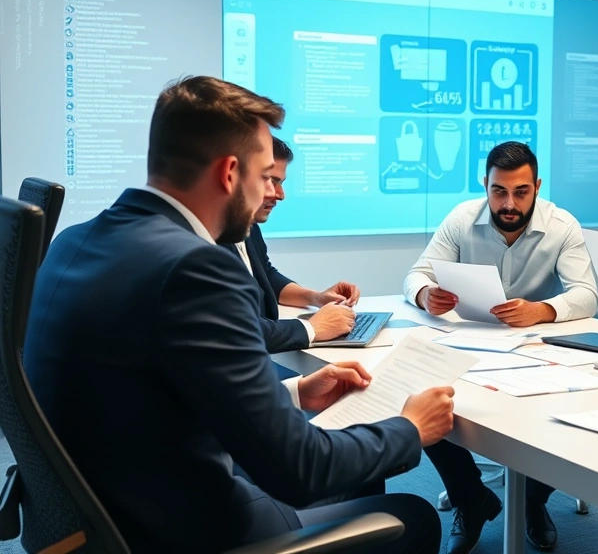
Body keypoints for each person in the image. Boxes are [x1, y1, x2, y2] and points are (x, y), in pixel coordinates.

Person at [23, 75, 455, 554]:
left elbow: (147, 393)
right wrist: (410, 428)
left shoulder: (74, 241)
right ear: (230, 173)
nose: (275, 192)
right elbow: (300, 472)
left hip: (93, 519)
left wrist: (291, 392)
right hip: (181, 532)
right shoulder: (196, 268)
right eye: (266, 175)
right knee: (411, 517)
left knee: (359, 475)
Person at [403, 141, 598, 553]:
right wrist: (425, 294)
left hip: (538, 349)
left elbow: (586, 294)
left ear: (537, 186)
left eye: (521, 192)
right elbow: (416, 273)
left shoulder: (562, 226)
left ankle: (531, 500)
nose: (509, 203)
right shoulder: (461, 218)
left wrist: (542, 310)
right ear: (485, 185)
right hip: (469, 342)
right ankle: (470, 497)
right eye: (499, 191)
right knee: (421, 392)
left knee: (569, 411)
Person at [224, 136, 360, 353]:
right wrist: (313, 327)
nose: (278, 195)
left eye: (280, 183)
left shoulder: (248, 228)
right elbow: (237, 332)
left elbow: (265, 276)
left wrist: (316, 297)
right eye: (270, 180)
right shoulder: (208, 244)